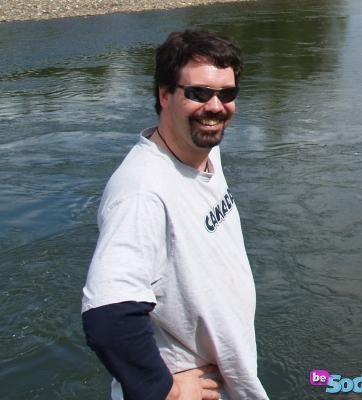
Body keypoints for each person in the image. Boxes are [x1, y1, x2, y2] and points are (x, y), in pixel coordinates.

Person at [82, 30, 269, 400]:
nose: (215, 107)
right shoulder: (141, 192)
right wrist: (163, 390)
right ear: (164, 95)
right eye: (198, 93)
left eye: (227, 94)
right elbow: (108, 315)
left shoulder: (202, 151)